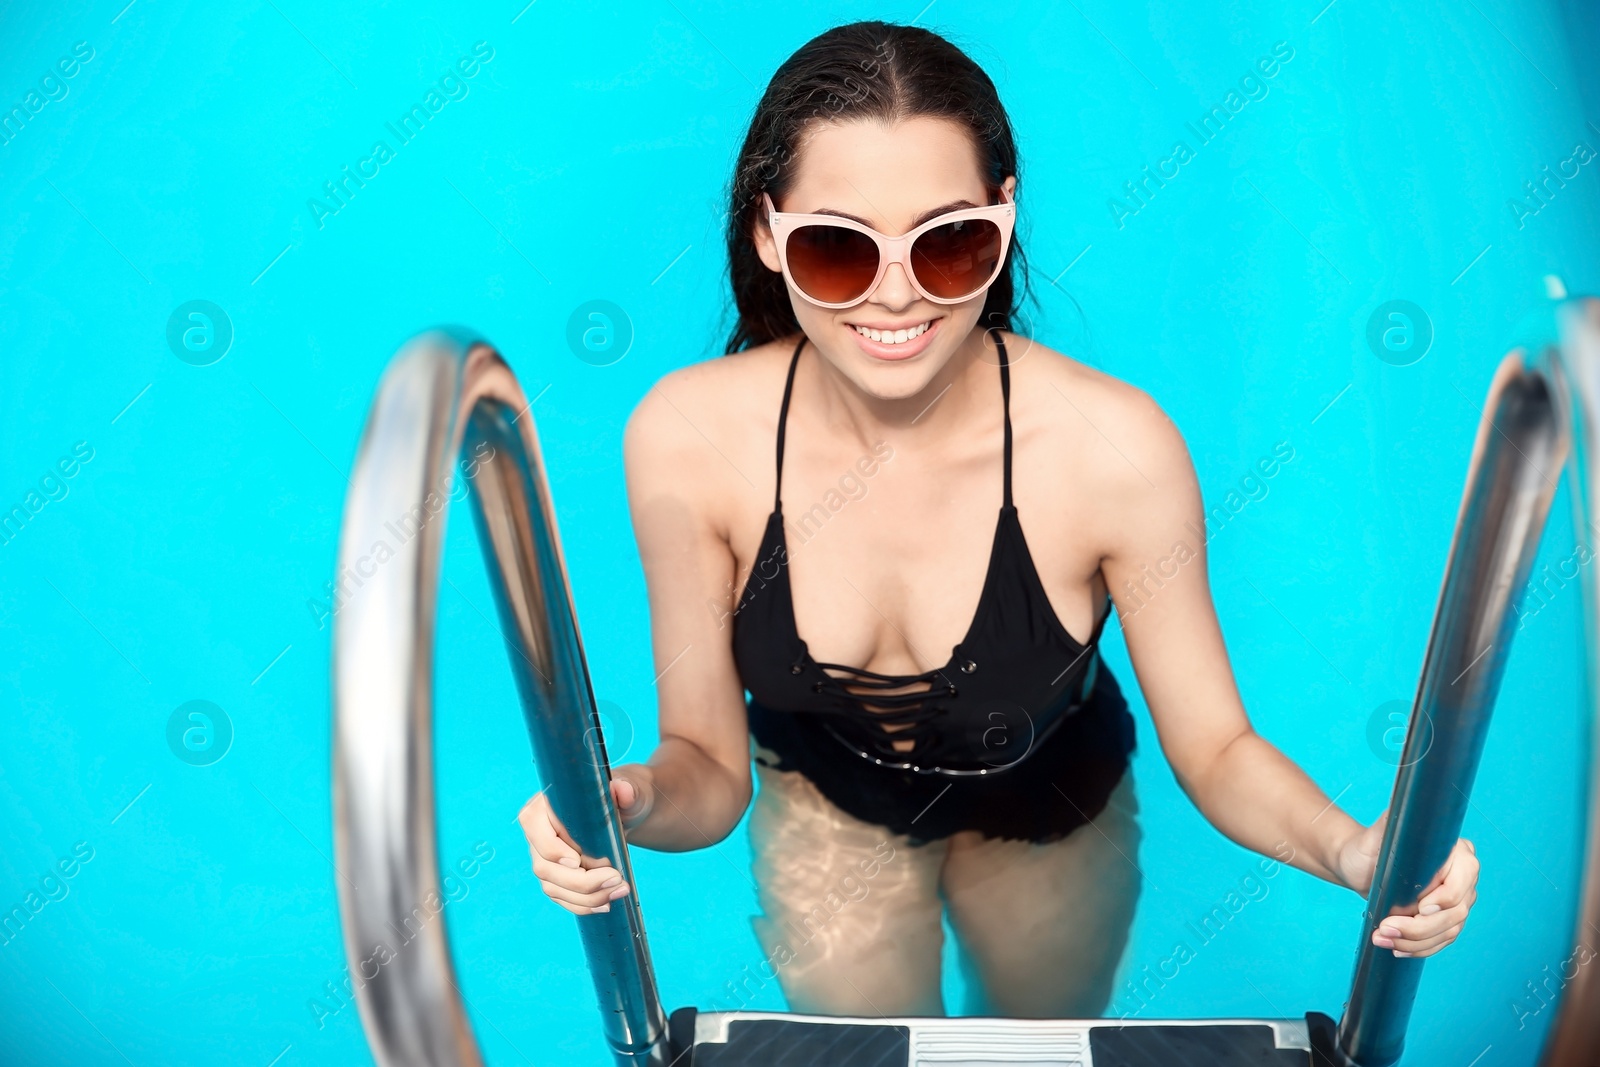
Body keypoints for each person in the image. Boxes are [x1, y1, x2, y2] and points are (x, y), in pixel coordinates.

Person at [518, 19, 1479, 1018]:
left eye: (949, 242)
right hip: (825, 798)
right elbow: (709, 770)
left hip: (1050, 803)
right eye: (839, 249)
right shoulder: (688, 438)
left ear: (1004, 219)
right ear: (767, 233)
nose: (896, 295)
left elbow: (1219, 747)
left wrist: (1356, 848)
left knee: (1040, 1041)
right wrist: (621, 802)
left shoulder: (1110, 450)